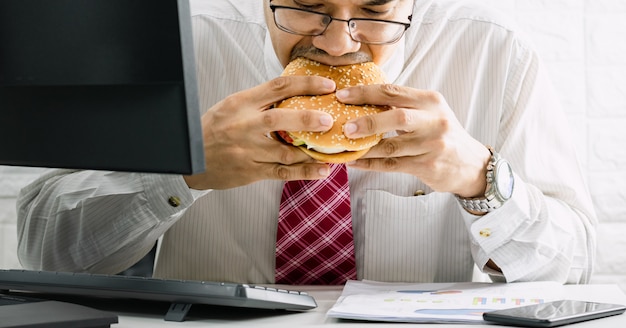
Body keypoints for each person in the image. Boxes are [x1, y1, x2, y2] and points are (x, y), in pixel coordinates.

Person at [16, 0, 596, 285]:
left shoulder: (495, 54)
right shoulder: (179, 43)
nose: (341, 43)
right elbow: (46, 253)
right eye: (308, 8)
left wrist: (478, 178)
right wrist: (182, 171)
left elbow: (574, 272)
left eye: (373, 12)